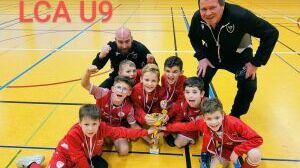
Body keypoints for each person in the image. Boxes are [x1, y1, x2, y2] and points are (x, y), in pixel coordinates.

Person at [189, 0, 279, 118]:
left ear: (222, 5)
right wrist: (202, 57)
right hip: (212, 53)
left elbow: (271, 33)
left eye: (212, 8)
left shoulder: (240, 16)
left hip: (239, 53)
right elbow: (193, 37)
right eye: (203, 9)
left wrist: (255, 63)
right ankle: (203, 112)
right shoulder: (197, 18)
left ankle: (235, 117)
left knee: (249, 85)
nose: (208, 13)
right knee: (201, 80)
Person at [161, 98, 263, 168]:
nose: (213, 122)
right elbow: (184, 126)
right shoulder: (202, 123)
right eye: (209, 119)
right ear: (204, 118)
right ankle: (218, 152)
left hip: (243, 145)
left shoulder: (234, 123)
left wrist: (237, 151)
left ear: (223, 115)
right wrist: (166, 128)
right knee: (221, 165)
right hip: (226, 146)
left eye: (217, 117)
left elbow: (257, 139)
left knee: (255, 154)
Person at [48, 104, 154, 168]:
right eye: (86, 124)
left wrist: (146, 132)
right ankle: (33, 164)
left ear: (99, 122)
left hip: (88, 156)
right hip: (65, 156)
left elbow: (123, 132)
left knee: (103, 166)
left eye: (94, 124)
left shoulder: (102, 128)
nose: (90, 129)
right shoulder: (73, 135)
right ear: (80, 123)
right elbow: (78, 158)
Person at [81, 65, 141, 155]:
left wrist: (149, 136)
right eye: (118, 87)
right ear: (113, 88)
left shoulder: (129, 108)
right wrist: (88, 73)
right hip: (98, 126)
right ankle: (104, 138)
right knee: (92, 152)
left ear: (129, 93)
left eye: (124, 89)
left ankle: (108, 139)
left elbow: (134, 125)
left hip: (115, 129)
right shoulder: (102, 93)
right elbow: (85, 84)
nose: (120, 91)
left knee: (124, 151)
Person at [164, 77, 205, 148]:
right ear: (184, 93)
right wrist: (167, 116)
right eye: (187, 92)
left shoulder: (206, 107)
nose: (190, 95)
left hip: (195, 127)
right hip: (188, 123)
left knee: (178, 143)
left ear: (202, 94)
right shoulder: (184, 103)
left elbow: (189, 126)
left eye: (194, 92)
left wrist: (167, 128)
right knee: (167, 118)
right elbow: (175, 109)